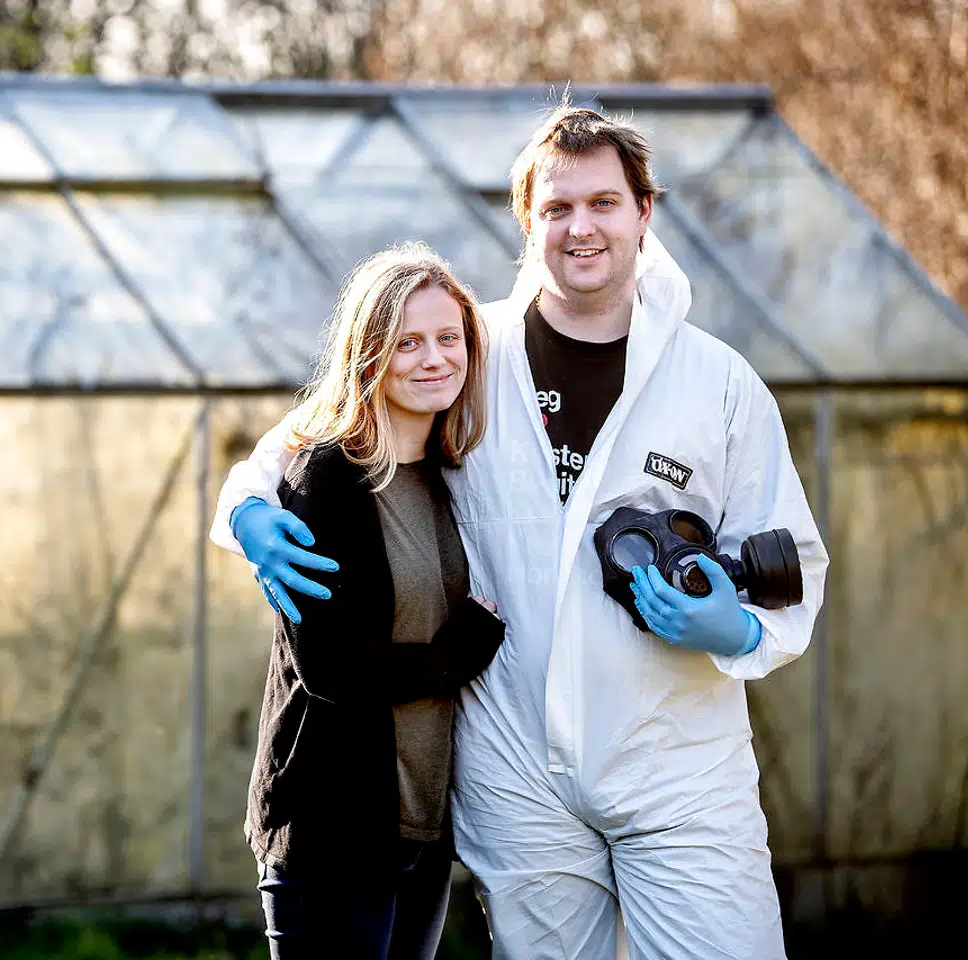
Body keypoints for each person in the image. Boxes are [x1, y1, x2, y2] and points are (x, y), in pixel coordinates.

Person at [212, 104, 829, 959]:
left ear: (646, 212)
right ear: (526, 222)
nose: (582, 228)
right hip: (520, 780)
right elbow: (320, 431)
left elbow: (792, 557)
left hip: (678, 771)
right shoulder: (470, 353)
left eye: (605, 204)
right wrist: (247, 505)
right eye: (557, 208)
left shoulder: (717, 384)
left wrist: (736, 626)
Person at [244, 242, 505, 959]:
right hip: (336, 830)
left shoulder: (453, 474)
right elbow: (331, 666)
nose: (433, 359)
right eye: (407, 344)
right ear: (368, 355)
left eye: (447, 339)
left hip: (421, 832)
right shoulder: (326, 475)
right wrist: (459, 655)